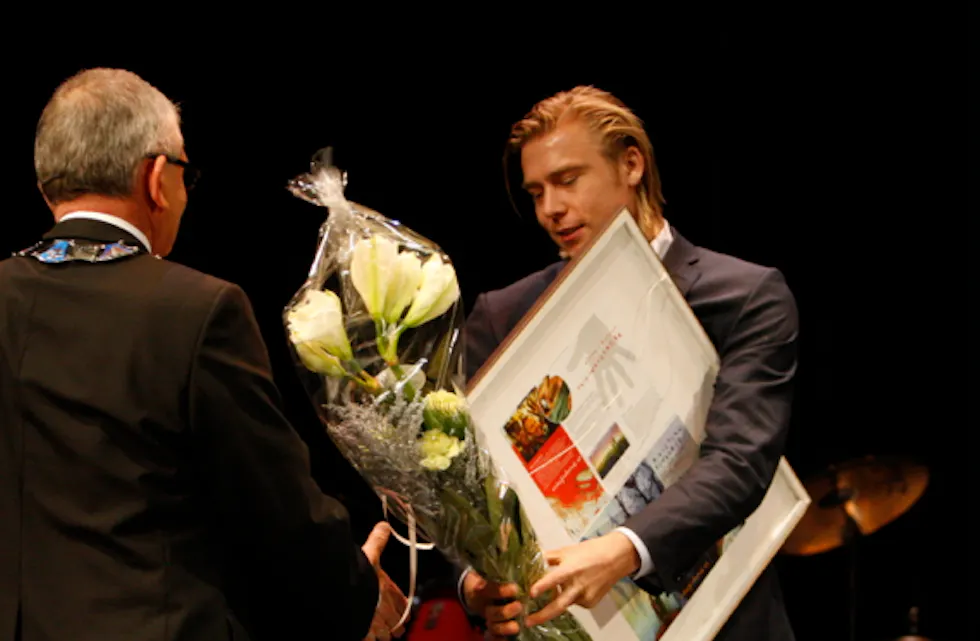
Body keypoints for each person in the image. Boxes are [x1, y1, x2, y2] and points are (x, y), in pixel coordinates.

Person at [0, 68, 406, 641]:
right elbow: (274, 507)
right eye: (185, 172)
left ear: (48, 189)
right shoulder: (194, 310)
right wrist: (355, 592)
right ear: (156, 178)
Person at [458, 86, 799, 640]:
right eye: (537, 191)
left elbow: (739, 463)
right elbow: (466, 484)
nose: (550, 209)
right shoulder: (503, 315)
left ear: (631, 164)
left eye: (569, 180)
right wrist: (477, 581)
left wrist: (621, 550)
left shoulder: (745, 296)